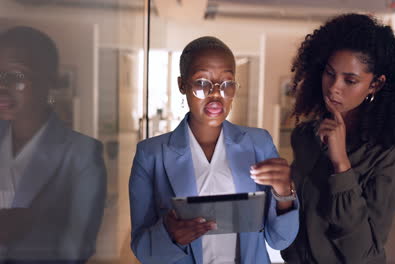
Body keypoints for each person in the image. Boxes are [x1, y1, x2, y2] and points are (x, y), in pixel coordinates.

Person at [129, 36, 299, 264]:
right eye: (201, 83)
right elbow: (143, 250)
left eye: (227, 84)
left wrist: (283, 193)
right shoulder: (151, 155)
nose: (216, 94)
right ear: (182, 84)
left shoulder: (259, 144)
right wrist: (170, 236)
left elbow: (280, 240)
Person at [279, 14, 395, 263]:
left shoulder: (389, 153)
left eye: (350, 80)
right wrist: (280, 191)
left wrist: (341, 166)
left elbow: (364, 253)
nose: (334, 87)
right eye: (329, 73)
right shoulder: (305, 136)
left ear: (375, 85)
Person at [0, 26, 106, 263]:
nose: (2, 87)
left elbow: (76, 250)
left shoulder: (82, 154)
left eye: (16, 76)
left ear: (51, 81)